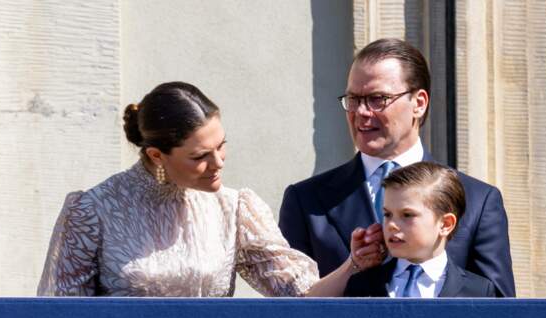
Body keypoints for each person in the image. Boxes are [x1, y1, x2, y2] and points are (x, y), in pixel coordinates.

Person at [37, 82, 383, 297]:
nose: (218, 162)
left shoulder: (233, 208)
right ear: (157, 155)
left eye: (222, 145)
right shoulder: (92, 211)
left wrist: (352, 264)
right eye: (200, 156)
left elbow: (299, 296)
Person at [279, 38, 515, 297]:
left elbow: (499, 315)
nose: (362, 112)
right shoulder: (306, 201)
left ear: (419, 103)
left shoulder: (478, 200)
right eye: (354, 99)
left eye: (378, 99)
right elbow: (291, 315)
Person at [344, 162, 496, 298]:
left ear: (445, 224)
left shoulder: (478, 291)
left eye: (407, 215)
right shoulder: (362, 286)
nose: (391, 225)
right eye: (387, 214)